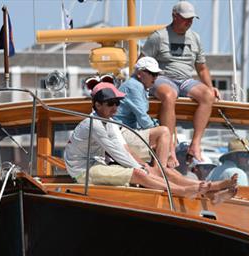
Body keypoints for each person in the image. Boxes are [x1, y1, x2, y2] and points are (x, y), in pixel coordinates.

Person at [64, 82, 236, 201]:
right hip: (82, 171)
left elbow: (123, 148)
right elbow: (118, 152)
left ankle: (210, 189)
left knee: (162, 171)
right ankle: (185, 191)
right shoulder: (95, 125)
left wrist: (149, 169)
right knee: (142, 173)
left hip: (98, 163)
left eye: (117, 102)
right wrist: (142, 169)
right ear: (97, 105)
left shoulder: (109, 121)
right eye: (111, 103)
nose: (115, 107)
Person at [142, 1, 219, 164]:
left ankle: (195, 143)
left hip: (185, 80)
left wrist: (211, 87)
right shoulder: (158, 36)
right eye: (185, 18)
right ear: (174, 16)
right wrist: (141, 85)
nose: (189, 22)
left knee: (207, 95)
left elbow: (202, 68)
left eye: (191, 19)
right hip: (163, 77)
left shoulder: (195, 38)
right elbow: (141, 64)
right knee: (170, 95)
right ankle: (169, 148)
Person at [114, 57, 178, 168]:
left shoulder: (137, 86)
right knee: (164, 132)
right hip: (120, 133)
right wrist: (158, 129)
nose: (155, 77)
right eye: (152, 74)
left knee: (162, 134)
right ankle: (160, 173)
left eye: (157, 74)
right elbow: (143, 120)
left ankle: (160, 171)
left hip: (124, 132)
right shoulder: (134, 86)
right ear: (139, 73)